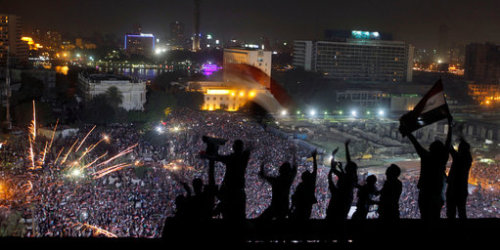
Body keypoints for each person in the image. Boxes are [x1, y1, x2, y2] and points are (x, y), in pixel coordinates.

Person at [400, 117, 452, 220]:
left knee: (424, 215)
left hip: (425, 192)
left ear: (431, 148)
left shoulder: (426, 157)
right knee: (435, 216)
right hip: (437, 193)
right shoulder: (442, 158)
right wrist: (450, 126)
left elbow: (415, 143)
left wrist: (407, 131)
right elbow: (448, 142)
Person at [211, 139, 251, 221]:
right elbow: (248, 150)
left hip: (229, 191)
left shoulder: (231, 158)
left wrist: (216, 146)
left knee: (227, 212)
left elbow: (217, 157)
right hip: (240, 192)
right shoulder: (244, 157)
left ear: (233, 147)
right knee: (239, 215)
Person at [326, 141, 358, 220]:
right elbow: (349, 162)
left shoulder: (344, 176)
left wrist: (333, 155)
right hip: (346, 201)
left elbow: (333, 169)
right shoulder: (353, 178)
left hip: (338, 200)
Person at [446, 138, 472, 220]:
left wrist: (450, 131)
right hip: (462, 190)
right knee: (462, 212)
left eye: (460, 147)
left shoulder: (459, 158)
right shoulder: (468, 159)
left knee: (451, 212)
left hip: (453, 189)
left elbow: (450, 147)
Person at [289, 150, 318, 220]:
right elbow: (315, 169)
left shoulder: (301, 186)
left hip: (299, 208)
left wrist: (291, 208)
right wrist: (314, 158)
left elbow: (294, 197)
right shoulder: (311, 184)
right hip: (306, 209)